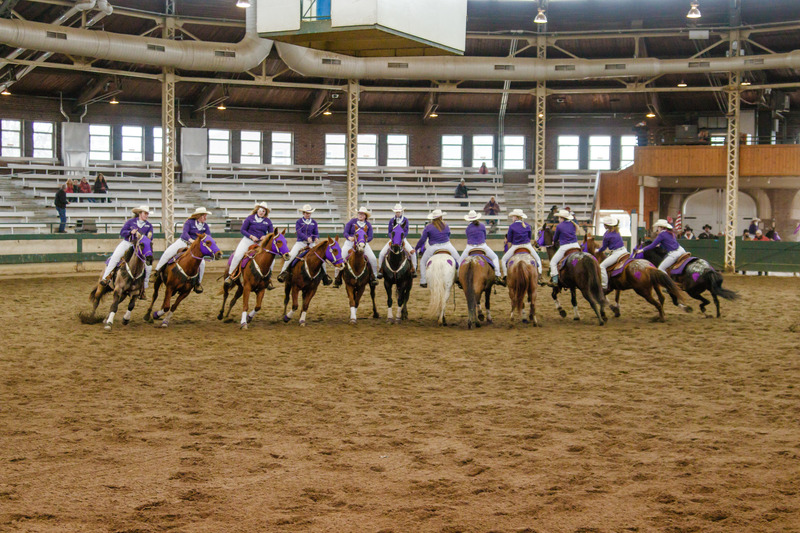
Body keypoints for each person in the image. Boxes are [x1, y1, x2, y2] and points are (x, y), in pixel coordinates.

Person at [155, 207, 213, 294]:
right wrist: (191, 240)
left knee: (202, 263)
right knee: (168, 253)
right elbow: (185, 233)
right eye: (204, 216)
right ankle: (157, 271)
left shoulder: (205, 226)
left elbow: (208, 237)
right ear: (199, 216)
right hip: (183, 242)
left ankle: (197, 283)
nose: (205, 218)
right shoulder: (189, 222)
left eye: (205, 216)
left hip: (195, 247)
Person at [100, 205, 154, 297]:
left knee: (148, 265)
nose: (147, 215)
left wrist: (147, 238)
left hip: (139, 247)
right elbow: (122, 232)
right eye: (145, 213)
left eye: (147, 214)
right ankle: (106, 277)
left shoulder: (149, 225)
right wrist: (130, 233)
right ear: (140, 213)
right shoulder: (130, 222)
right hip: (127, 243)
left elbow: (150, 238)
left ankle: (144, 286)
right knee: (115, 257)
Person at [277, 204, 331, 285]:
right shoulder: (299, 222)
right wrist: (306, 238)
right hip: (301, 243)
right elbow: (299, 233)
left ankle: (325, 275)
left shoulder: (314, 222)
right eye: (306, 213)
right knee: (291, 256)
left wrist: (316, 238)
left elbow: (316, 233)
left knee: (321, 257)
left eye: (308, 213)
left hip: (311, 244)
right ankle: (283, 272)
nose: (307, 214)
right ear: (303, 213)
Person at [225, 202, 273, 287]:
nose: (261, 212)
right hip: (248, 240)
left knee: (271, 259)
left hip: (261, 243)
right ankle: (230, 275)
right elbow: (242, 230)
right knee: (237, 255)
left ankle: (268, 278)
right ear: (257, 210)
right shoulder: (250, 218)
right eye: (260, 210)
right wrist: (251, 236)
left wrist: (265, 236)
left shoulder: (268, 221)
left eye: (264, 211)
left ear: (266, 212)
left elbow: (271, 233)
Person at [415, 209, 460, 288]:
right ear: (441, 217)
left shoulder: (428, 227)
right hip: (447, 245)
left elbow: (423, 239)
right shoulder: (446, 225)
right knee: (458, 260)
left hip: (433, 247)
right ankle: (459, 278)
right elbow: (448, 235)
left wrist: (416, 248)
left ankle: (423, 280)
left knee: (422, 262)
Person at [335, 206, 378, 288]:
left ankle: (374, 277)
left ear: (365, 216)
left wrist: (364, 241)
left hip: (362, 244)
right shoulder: (352, 222)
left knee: (372, 258)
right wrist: (349, 237)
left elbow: (370, 236)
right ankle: (337, 278)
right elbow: (345, 232)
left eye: (362, 214)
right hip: (350, 243)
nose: (360, 215)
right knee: (341, 258)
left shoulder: (368, 225)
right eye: (359, 213)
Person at [459, 210, 503, 284]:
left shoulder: (468, 228)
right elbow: (484, 237)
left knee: (460, 261)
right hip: (482, 246)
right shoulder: (482, 225)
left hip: (470, 247)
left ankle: (458, 278)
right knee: (495, 257)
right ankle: (497, 275)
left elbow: (468, 237)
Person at [500, 208, 541, 284]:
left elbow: (509, 239)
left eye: (513, 216)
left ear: (516, 217)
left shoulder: (512, 226)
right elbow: (529, 237)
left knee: (503, 260)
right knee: (538, 259)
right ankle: (539, 277)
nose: (512, 218)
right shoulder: (528, 225)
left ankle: (505, 276)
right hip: (527, 246)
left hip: (515, 246)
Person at [377, 203, 417, 278]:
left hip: (402, 239)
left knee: (412, 253)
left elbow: (406, 231)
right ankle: (380, 270)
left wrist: (401, 238)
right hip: (393, 240)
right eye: (396, 212)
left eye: (399, 212)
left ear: (401, 212)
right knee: (382, 253)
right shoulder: (392, 220)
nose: (398, 213)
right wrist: (392, 238)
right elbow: (389, 231)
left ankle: (413, 269)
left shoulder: (405, 220)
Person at [546, 208, 581, 285]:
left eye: (559, 217)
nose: (558, 219)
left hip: (565, 247)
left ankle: (555, 280)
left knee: (553, 262)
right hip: (576, 245)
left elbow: (555, 238)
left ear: (562, 218)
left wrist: (553, 241)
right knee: (577, 260)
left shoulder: (559, 226)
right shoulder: (573, 224)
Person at [597, 216, 628, 291]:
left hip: (617, 253)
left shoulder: (607, 235)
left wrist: (597, 250)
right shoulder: (616, 231)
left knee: (602, 266)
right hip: (624, 251)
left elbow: (604, 247)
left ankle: (604, 286)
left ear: (607, 225)